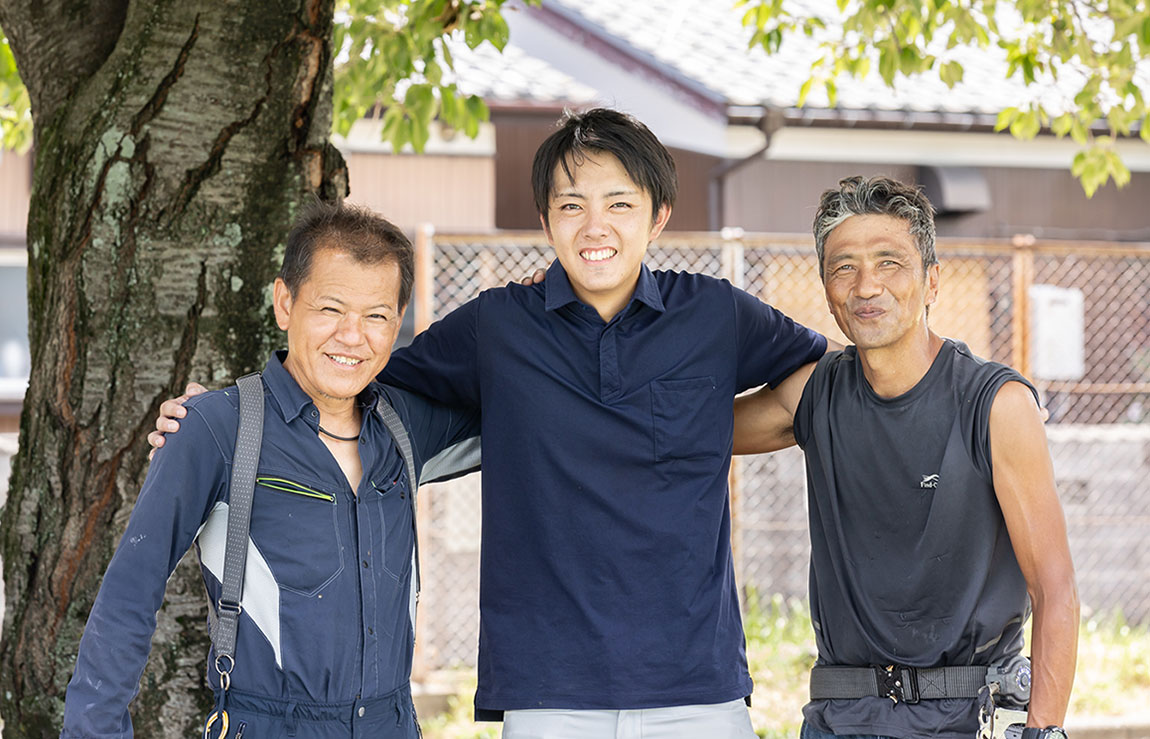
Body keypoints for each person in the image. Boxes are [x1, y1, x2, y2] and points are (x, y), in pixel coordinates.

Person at [149, 108, 830, 738]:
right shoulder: (500, 324)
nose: (596, 227)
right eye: (572, 206)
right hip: (548, 691)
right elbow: (350, 381)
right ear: (546, 219)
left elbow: (818, 382)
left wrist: (704, 427)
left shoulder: (714, 312)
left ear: (658, 217)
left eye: (620, 203)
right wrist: (225, 413)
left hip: (698, 688)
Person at [63, 202, 479, 738]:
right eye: (331, 309)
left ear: (397, 322)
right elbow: (127, 600)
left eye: (376, 316)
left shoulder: (404, 426)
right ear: (285, 303)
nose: (353, 337)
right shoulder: (216, 429)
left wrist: (550, 295)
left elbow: (535, 413)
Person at [734, 176, 1079, 739]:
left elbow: (1055, 585)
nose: (867, 285)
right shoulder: (814, 393)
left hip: (968, 715)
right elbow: (688, 431)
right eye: (844, 268)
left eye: (889, 262)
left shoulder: (996, 405)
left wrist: (1044, 730)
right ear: (826, 289)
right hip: (840, 717)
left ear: (932, 281)